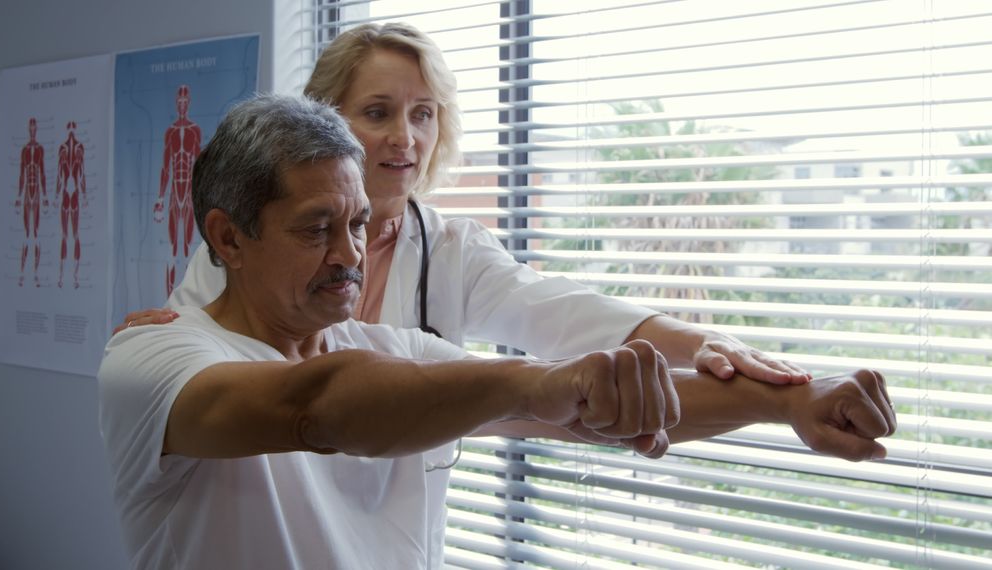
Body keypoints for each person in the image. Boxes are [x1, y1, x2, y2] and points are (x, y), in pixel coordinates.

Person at [98, 93, 896, 569]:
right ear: (228, 238)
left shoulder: (395, 355)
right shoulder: (156, 356)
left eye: (357, 224)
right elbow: (315, 409)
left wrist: (784, 404)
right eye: (315, 231)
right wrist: (541, 382)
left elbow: (593, 410)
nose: (348, 255)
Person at [119, 22, 810, 387]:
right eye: (378, 111)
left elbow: (568, 315)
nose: (405, 137)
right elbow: (194, 356)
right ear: (322, 121)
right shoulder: (249, 240)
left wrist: (715, 348)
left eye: (424, 114)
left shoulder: (450, 250)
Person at [153, 84, 202, 296]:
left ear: (188, 103)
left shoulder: (194, 130)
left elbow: (200, 167)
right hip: (174, 193)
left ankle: (188, 301)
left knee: (188, 250)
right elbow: (165, 167)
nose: (182, 105)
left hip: (190, 195)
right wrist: (160, 199)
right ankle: (169, 298)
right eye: (179, 102)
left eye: (185, 102)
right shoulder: (171, 132)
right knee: (173, 249)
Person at [55, 120, 87, 289]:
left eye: (74, 128)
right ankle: (61, 275)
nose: (72, 132)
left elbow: (81, 173)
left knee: (74, 235)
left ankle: (74, 276)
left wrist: (84, 194)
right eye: (70, 128)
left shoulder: (79, 149)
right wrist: (55, 195)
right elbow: (60, 173)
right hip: (67, 194)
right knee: (65, 236)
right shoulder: (63, 149)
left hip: (74, 194)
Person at [16, 117, 47, 287]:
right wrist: (18, 196)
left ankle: (35, 273)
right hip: (27, 191)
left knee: (36, 233)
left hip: (37, 195)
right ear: (29, 130)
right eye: (31, 128)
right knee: (26, 234)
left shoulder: (40, 150)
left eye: (35, 128)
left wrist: (46, 196)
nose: (33, 131)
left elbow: (42, 173)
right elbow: (22, 173)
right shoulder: (25, 150)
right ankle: (22, 273)